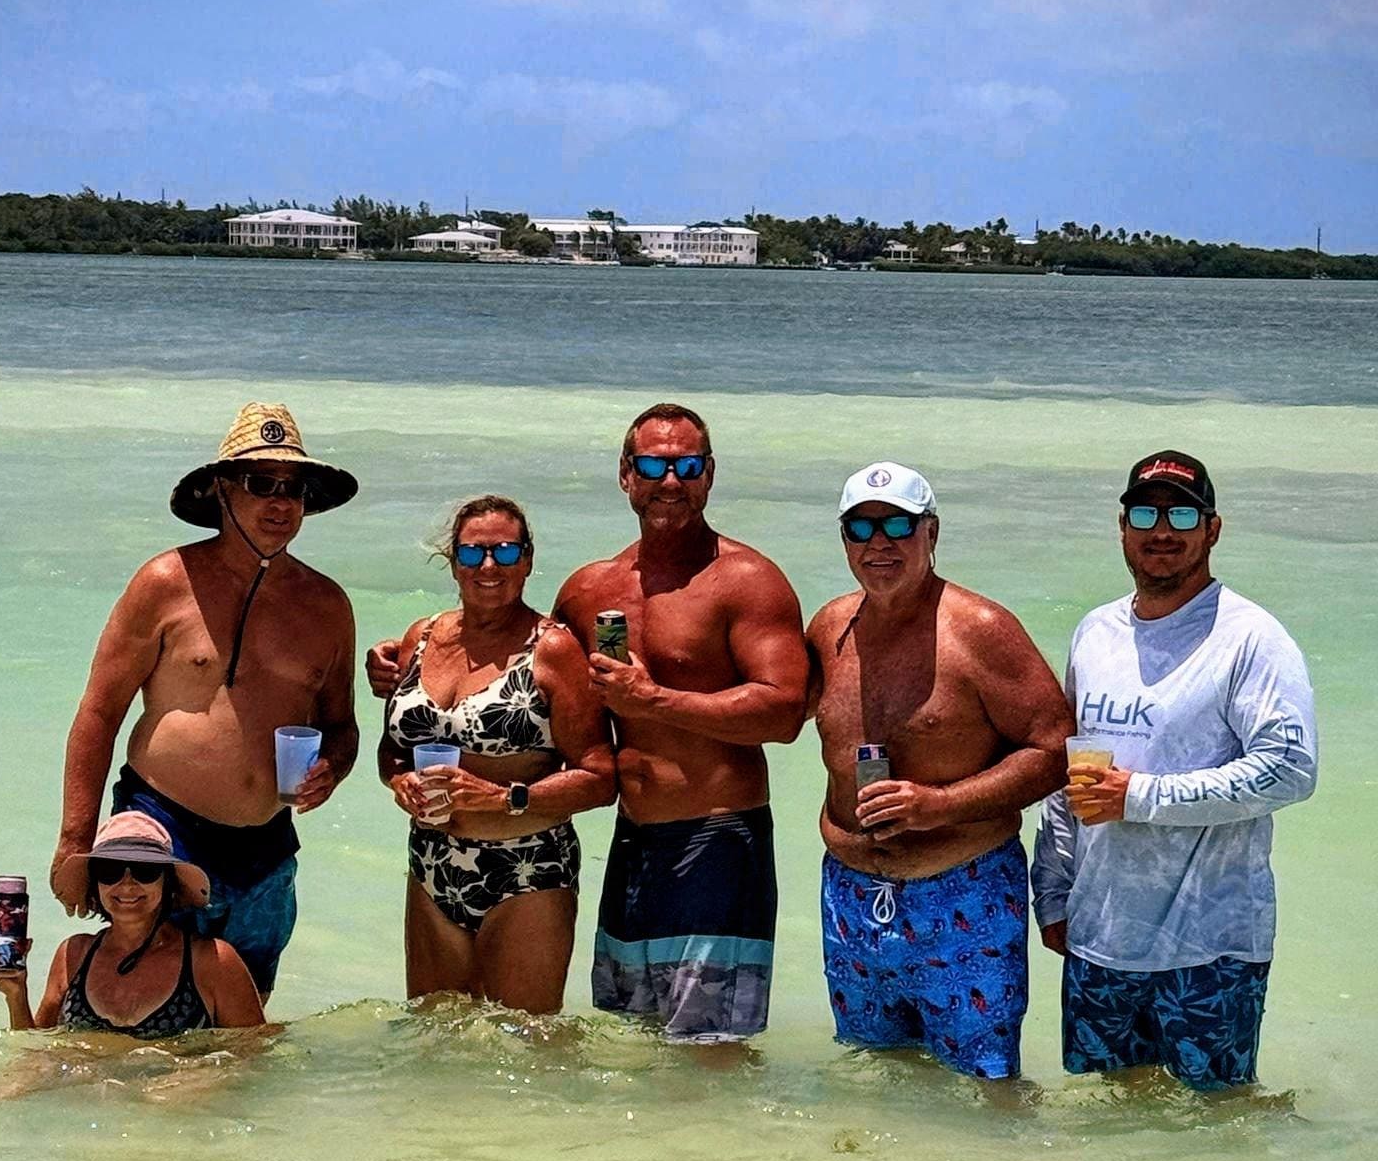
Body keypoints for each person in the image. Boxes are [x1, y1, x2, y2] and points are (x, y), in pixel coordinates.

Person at [49, 403, 359, 997]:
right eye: (260, 483)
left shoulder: (327, 604)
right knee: (143, 1022)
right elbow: (99, 712)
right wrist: (75, 845)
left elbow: (340, 725)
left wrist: (333, 769)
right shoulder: (165, 581)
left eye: (292, 489)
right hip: (160, 835)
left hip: (267, 845)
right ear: (221, 490)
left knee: (239, 1036)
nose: (279, 503)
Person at [1031, 451, 1317, 1091]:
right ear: (1123, 525)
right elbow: (1066, 772)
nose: (1163, 529)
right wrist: (1051, 893)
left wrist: (1141, 796)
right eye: (1146, 512)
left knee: (1222, 1122)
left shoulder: (1250, 637)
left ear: (1212, 529)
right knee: (1119, 1120)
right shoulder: (1094, 631)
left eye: (1183, 512)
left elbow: (1291, 768)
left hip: (1211, 946)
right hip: (1100, 935)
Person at [806, 463, 1071, 1082]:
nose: (880, 543)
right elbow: (768, 708)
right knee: (872, 1079)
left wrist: (939, 805)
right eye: (861, 528)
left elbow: (1055, 750)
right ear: (843, 538)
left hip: (962, 893)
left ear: (932, 533)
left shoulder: (980, 629)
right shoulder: (829, 628)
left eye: (899, 525)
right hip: (849, 898)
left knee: (986, 1084)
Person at [557, 404, 808, 1044]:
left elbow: (783, 712)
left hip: (720, 844)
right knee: (628, 1043)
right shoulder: (590, 588)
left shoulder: (745, 580)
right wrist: (410, 656)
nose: (671, 481)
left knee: (710, 1056)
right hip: (632, 846)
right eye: (654, 465)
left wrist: (656, 701)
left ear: (710, 474)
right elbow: (526, 673)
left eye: (687, 465)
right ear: (625, 474)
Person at [377, 496, 615, 1013]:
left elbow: (600, 776)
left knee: (525, 1049)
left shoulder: (552, 649)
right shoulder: (419, 638)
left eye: (506, 553)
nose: (489, 567)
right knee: (434, 1038)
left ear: (528, 561)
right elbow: (392, 751)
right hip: (432, 863)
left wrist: (504, 797)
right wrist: (399, 784)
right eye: (474, 553)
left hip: (527, 868)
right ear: (453, 561)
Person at [0, 811, 268, 1039]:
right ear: (95, 883)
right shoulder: (74, 955)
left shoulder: (212, 960)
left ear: (168, 881)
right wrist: (16, 993)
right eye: (110, 870)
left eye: (145, 870)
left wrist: (192, 1080)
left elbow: (253, 1056)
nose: (127, 884)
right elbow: (37, 1055)